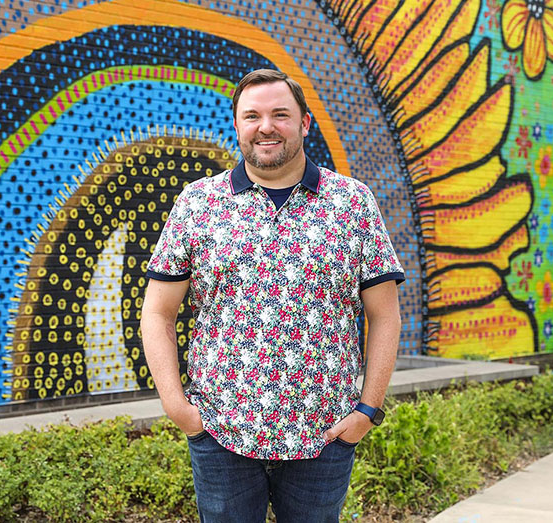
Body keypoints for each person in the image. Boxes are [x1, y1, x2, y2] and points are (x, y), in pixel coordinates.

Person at [140, 68, 404, 522]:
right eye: (252, 116)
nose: (266, 127)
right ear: (237, 124)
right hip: (221, 431)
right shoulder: (198, 203)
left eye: (280, 114)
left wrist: (367, 410)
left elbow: (384, 315)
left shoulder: (352, 202)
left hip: (324, 434)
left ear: (304, 123)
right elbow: (158, 312)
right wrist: (176, 406)